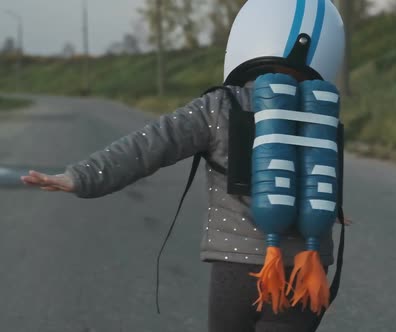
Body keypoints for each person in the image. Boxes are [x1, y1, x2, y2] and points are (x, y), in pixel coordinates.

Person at [21, 0, 349, 331]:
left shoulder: (220, 105)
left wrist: (81, 177)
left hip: (238, 267)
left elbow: (149, 145)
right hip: (310, 269)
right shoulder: (322, 113)